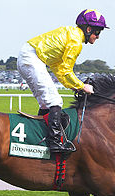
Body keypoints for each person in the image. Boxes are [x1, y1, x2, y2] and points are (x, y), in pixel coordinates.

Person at [17, 9, 109, 154]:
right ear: (88, 29)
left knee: (47, 102)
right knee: (55, 101)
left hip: (31, 57)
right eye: (97, 32)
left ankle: (41, 138)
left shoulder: (72, 35)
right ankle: (54, 143)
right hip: (31, 58)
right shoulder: (75, 42)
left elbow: (59, 70)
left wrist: (75, 87)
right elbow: (66, 71)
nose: (98, 37)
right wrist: (82, 86)